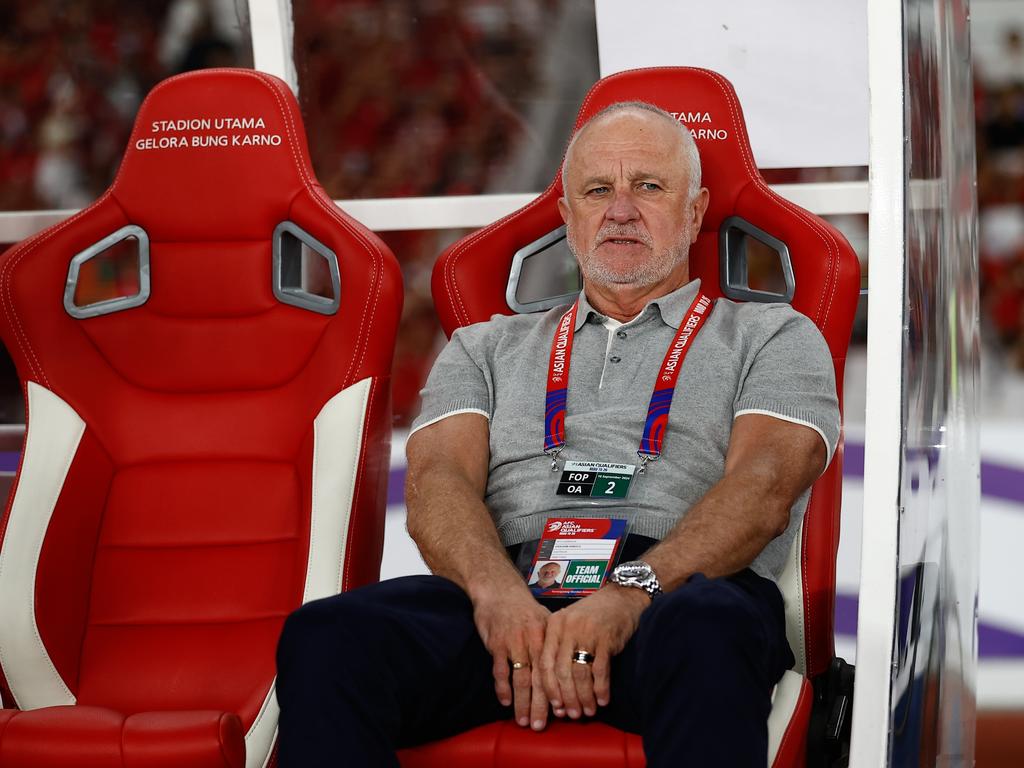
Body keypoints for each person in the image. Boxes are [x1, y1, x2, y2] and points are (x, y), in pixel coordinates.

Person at [275, 101, 839, 767]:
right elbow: (437, 484)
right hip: (511, 593)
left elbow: (763, 489)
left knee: (709, 629)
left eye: (648, 187)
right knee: (327, 637)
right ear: (569, 218)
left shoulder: (771, 335)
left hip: (675, 596)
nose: (620, 210)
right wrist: (496, 595)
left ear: (694, 213)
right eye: (598, 190)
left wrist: (629, 592)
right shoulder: (484, 346)